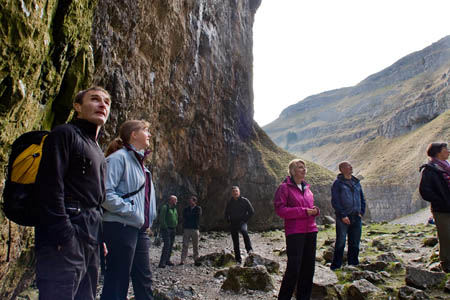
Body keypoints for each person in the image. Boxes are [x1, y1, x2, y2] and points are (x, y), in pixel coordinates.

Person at [34, 87, 111, 300]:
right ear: (77, 107)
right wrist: (64, 234)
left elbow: (94, 200)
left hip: (90, 241)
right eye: (94, 99)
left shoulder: (95, 148)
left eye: (106, 102)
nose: (102, 105)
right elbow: (49, 186)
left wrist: (99, 238)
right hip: (65, 239)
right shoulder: (64, 134)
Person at [100, 120, 156, 300]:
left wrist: (147, 220)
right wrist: (132, 211)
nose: (149, 134)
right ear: (134, 134)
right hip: (120, 227)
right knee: (118, 279)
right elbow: (105, 194)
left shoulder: (143, 167)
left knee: (144, 280)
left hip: (138, 230)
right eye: (145, 130)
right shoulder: (118, 158)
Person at [274, 159, 320, 300]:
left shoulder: (307, 188)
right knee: (293, 268)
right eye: (300, 167)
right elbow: (280, 210)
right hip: (295, 232)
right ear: (293, 171)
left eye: (304, 167)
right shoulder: (284, 187)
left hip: (311, 230)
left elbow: (309, 209)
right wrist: (304, 211)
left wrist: (315, 211)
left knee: (308, 268)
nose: (304, 169)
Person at [419, 142, 450, 273]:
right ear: (438, 152)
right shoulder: (429, 170)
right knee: (446, 236)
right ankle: (446, 263)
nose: (448, 151)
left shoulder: (447, 167)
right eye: (445, 149)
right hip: (441, 209)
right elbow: (425, 191)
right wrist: (440, 200)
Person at [330, 161, 366, 271]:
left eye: (350, 165)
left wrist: (361, 212)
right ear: (342, 169)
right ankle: (336, 266)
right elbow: (335, 201)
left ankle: (353, 265)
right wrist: (342, 215)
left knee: (355, 242)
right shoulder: (337, 183)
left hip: (356, 216)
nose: (351, 167)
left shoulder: (356, 182)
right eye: (348, 166)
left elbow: (362, 198)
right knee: (341, 242)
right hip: (343, 218)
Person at [224, 186, 254, 264]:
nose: (235, 192)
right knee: (235, 241)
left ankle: (249, 250)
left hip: (242, 222)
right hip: (233, 223)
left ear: (239, 192)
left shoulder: (244, 200)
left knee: (244, 231)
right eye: (233, 191)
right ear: (232, 193)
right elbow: (226, 213)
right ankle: (238, 259)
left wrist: (245, 219)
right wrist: (228, 220)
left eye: (236, 191)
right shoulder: (230, 202)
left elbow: (251, 212)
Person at [180, 196, 202, 265]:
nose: (190, 202)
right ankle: (183, 259)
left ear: (195, 201)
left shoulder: (198, 208)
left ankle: (196, 259)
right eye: (189, 201)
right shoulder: (186, 208)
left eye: (191, 201)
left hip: (195, 229)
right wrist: (190, 215)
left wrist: (189, 215)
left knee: (196, 245)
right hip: (187, 229)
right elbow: (184, 216)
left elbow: (197, 216)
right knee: (185, 245)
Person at [158, 195, 178, 268]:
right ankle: (162, 262)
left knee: (171, 245)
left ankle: (167, 260)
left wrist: (176, 224)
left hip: (173, 229)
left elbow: (176, 217)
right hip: (167, 229)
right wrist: (165, 227)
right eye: (175, 200)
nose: (176, 201)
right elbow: (162, 218)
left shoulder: (174, 208)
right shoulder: (165, 208)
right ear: (171, 200)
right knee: (167, 245)